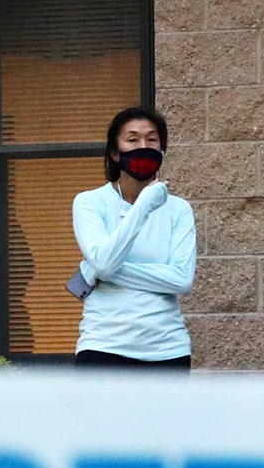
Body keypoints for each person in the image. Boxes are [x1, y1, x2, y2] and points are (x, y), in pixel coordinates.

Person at [70, 106, 196, 369]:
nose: (144, 146)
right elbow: (105, 263)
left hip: (167, 350)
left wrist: (97, 271)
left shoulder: (178, 209)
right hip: (103, 347)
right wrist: (144, 205)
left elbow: (182, 279)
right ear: (115, 153)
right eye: (132, 139)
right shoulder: (89, 203)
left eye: (152, 139)